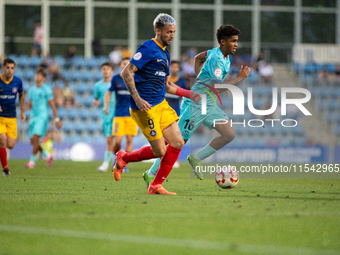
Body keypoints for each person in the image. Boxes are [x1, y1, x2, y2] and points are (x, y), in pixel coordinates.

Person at [143, 24, 250, 186]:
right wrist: (239, 78)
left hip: (209, 104)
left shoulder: (220, 54)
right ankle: (151, 173)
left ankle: (196, 158)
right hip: (196, 103)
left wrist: (199, 75)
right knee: (177, 142)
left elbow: (198, 57)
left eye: (236, 41)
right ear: (223, 42)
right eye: (233, 41)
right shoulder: (216, 60)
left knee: (228, 135)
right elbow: (215, 87)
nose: (236, 44)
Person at [114, 13, 201, 195]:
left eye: (174, 32)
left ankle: (155, 185)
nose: (172, 35)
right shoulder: (147, 48)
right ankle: (124, 158)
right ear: (158, 30)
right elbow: (126, 72)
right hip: (145, 108)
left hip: (161, 105)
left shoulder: (165, 53)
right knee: (160, 151)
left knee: (177, 142)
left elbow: (167, 84)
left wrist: (189, 93)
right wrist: (137, 98)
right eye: (169, 32)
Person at [104, 58, 138, 172]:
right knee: (117, 141)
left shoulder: (136, 78)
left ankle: (124, 164)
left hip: (132, 115)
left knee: (129, 140)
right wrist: (106, 106)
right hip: (118, 115)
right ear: (120, 65)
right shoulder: (116, 79)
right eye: (124, 64)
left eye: (128, 64)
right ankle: (117, 158)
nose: (126, 65)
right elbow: (108, 93)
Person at [24, 68, 62, 168]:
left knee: (36, 137)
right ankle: (47, 155)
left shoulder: (47, 89)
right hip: (33, 117)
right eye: (37, 75)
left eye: (40, 75)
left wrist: (57, 119)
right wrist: (22, 110)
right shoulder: (31, 90)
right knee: (33, 141)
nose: (38, 76)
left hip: (42, 116)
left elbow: (52, 105)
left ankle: (31, 162)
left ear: (44, 78)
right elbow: (29, 104)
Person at [0, 58, 26, 176]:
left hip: (11, 117)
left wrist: (22, 111)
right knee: (2, 140)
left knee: (10, 145)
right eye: (7, 68)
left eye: (12, 68)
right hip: (0, 117)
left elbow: (21, 95)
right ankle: (5, 169)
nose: (10, 70)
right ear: (3, 68)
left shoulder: (17, 82)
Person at [164, 60, 187, 168]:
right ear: (170, 68)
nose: (175, 69)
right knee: (165, 138)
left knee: (176, 137)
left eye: (177, 67)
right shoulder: (165, 80)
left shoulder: (181, 82)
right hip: (164, 112)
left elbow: (183, 98)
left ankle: (174, 160)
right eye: (173, 67)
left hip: (176, 113)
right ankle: (163, 158)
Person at [94, 62, 116, 172]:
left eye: (108, 69)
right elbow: (96, 99)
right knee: (109, 140)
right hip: (106, 115)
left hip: (117, 114)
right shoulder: (98, 85)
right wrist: (96, 102)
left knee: (117, 140)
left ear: (111, 71)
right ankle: (109, 163)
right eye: (103, 69)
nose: (105, 71)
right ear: (101, 71)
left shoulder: (115, 83)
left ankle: (109, 163)